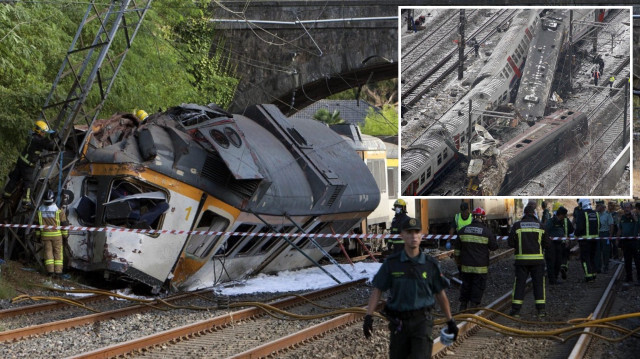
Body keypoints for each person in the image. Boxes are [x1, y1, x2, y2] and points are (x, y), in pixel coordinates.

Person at [363, 217, 458, 358]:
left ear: (421, 235)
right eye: (409, 232)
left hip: (422, 323)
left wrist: (450, 321)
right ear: (402, 235)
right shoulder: (392, 264)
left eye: (417, 232)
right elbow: (378, 290)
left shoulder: (430, 265)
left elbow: (440, 294)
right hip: (399, 325)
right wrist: (368, 317)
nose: (413, 236)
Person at [508, 202, 549, 318]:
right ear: (534, 213)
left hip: (522, 261)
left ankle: (516, 311)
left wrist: (520, 246)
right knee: (539, 285)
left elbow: (510, 242)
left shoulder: (517, 225)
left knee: (519, 285)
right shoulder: (541, 226)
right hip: (537, 261)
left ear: (524, 213)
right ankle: (541, 310)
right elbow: (547, 243)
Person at [3, 120, 56, 205]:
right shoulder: (37, 140)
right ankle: (26, 201)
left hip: (21, 161)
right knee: (28, 183)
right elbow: (47, 144)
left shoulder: (31, 136)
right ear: (39, 131)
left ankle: (6, 195)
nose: (44, 134)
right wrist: (51, 139)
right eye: (43, 132)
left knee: (14, 178)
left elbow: (42, 145)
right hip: (28, 165)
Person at [455, 207, 498, 311]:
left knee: (466, 285)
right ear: (483, 218)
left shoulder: (462, 231)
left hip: (466, 266)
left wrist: (459, 264)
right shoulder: (486, 232)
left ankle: (463, 305)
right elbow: (494, 247)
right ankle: (473, 305)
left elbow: (456, 252)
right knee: (477, 286)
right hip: (480, 267)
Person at [35, 189, 69, 278]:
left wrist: (38, 235)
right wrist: (65, 236)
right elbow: (64, 224)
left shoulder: (39, 210)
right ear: (53, 199)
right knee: (58, 253)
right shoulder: (58, 210)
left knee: (48, 253)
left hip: (45, 235)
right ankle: (58, 273)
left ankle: (50, 272)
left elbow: (37, 224)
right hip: (57, 236)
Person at [545, 206, 574, 284]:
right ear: (560, 214)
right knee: (551, 262)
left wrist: (565, 239)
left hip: (559, 245)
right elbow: (545, 231)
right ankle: (552, 280)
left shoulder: (561, 222)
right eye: (564, 215)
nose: (565, 217)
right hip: (551, 245)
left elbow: (563, 232)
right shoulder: (551, 221)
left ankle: (555, 278)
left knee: (558, 262)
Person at [574, 198, 599, 282]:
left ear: (582, 204)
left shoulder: (582, 214)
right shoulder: (595, 213)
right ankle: (594, 274)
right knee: (592, 257)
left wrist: (575, 234)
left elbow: (579, 227)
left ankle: (588, 276)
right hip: (595, 239)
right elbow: (599, 225)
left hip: (585, 240)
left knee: (585, 258)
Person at [616, 202, 640, 285]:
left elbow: (638, 224)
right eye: (625, 208)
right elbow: (620, 229)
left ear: (631, 208)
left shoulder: (635, 217)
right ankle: (629, 277)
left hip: (635, 241)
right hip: (625, 242)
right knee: (627, 260)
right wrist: (617, 239)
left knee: (637, 261)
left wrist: (634, 217)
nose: (626, 209)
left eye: (628, 207)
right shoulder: (622, 218)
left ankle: (639, 278)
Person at [596, 200, 614, 274]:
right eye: (597, 206)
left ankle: (606, 266)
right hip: (598, 234)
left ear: (603, 207)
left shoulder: (607, 215)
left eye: (598, 206)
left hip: (605, 234)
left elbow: (611, 224)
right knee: (597, 251)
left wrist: (610, 235)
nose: (597, 207)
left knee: (605, 251)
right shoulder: (596, 214)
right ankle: (598, 267)